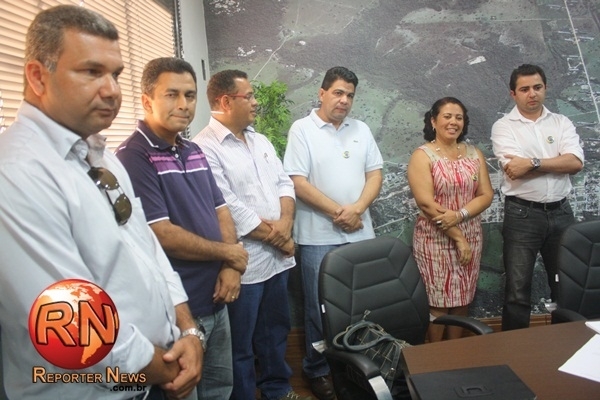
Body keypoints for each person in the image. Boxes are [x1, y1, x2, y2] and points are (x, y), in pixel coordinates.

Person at [0, 6, 202, 400]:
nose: (112, 90)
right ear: (38, 76)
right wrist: (171, 369)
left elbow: (147, 249)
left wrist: (189, 330)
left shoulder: (101, 156)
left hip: (156, 374)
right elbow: (76, 327)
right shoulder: (16, 173)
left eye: (116, 74)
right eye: (92, 72)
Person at [116, 58, 249, 399]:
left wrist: (230, 266)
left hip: (217, 297)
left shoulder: (194, 150)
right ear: (147, 100)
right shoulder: (132, 157)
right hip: (179, 310)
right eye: (171, 94)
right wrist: (231, 253)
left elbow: (221, 210)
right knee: (185, 392)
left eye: (189, 95)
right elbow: (160, 234)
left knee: (220, 390)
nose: (183, 104)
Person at [194, 69, 311, 400]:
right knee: (240, 345)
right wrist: (281, 237)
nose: (256, 102)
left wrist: (285, 222)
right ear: (226, 102)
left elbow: (284, 183)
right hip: (243, 265)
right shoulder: (204, 147)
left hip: (276, 261)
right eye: (249, 96)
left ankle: (278, 389)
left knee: (275, 332)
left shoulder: (260, 141)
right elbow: (227, 205)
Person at [283, 66, 383, 400]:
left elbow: (375, 175)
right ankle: (317, 369)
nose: (344, 100)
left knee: (359, 305)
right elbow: (297, 182)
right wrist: (339, 213)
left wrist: (357, 209)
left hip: (360, 234)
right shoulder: (302, 129)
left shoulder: (361, 129)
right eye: (338, 93)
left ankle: (357, 366)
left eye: (350, 95)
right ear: (322, 93)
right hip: (318, 237)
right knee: (318, 309)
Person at [491, 64, 584, 331]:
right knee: (517, 290)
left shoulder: (561, 122)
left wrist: (532, 162)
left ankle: (566, 342)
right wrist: (555, 162)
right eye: (524, 89)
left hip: (562, 213)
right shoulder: (503, 127)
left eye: (537, 87)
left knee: (566, 285)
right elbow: (514, 170)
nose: (532, 94)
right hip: (522, 215)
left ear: (545, 88)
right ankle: (515, 349)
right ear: (513, 94)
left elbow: (575, 163)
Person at [407, 97, 493, 342]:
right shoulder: (422, 156)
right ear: (433, 121)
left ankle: (457, 353)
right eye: (447, 116)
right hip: (435, 240)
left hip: (471, 235)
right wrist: (458, 238)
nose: (453, 122)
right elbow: (426, 203)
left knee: (463, 298)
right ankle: (436, 357)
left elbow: (486, 195)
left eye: (459, 117)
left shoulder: (474, 154)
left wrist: (460, 215)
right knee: (438, 302)